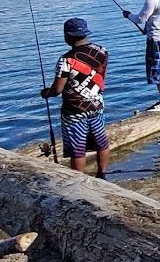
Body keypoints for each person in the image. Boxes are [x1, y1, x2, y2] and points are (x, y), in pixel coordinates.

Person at [39, 17, 109, 176]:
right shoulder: (102, 52)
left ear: (67, 36)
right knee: (101, 141)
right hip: (97, 104)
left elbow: (57, 89)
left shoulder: (66, 60)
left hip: (74, 110)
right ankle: (102, 174)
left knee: (78, 148)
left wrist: (46, 93)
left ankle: (79, 180)